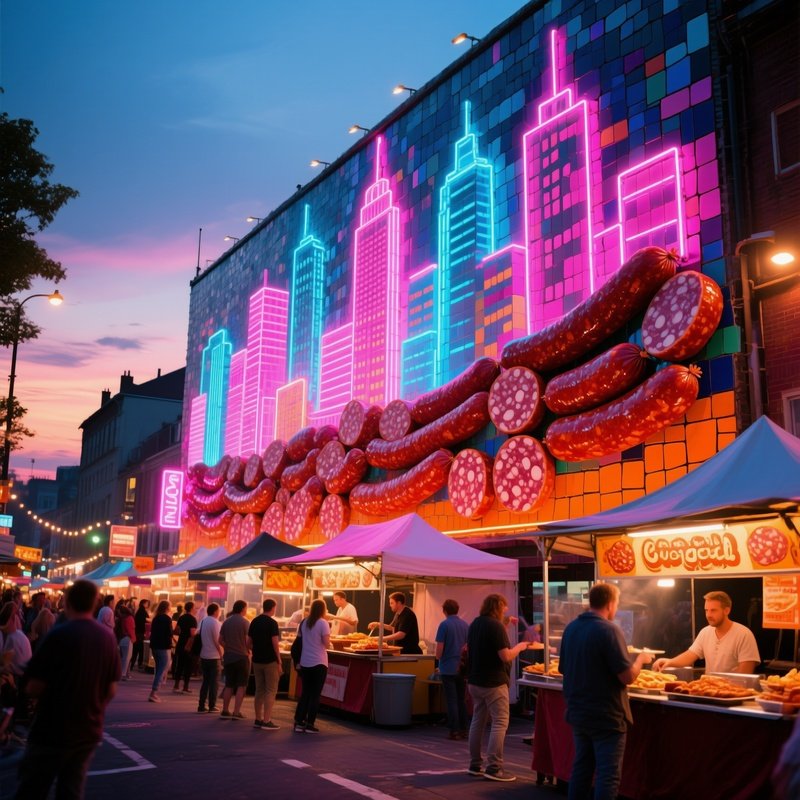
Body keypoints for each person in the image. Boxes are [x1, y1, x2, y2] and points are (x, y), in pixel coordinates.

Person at [14, 579, 120, 800]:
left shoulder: (59, 635)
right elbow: (111, 690)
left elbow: (34, 686)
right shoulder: (107, 638)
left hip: (53, 728)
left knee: (33, 788)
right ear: (95, 603)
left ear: (67, 602)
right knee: (71, 789)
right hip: (88, 729)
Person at [560, 582, 653, 800]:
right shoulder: (609, 630)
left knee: (581, 770)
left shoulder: (571, 628)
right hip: (606, 716)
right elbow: (627, 676)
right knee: (607, 775)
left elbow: (564, 669)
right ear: (610, 604)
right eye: (617, 604)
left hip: (578, 713)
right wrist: (640, 659)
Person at [465, 593, 528, 782]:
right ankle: (494, 768)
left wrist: (506, 622)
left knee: (477, 721)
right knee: (500, 723)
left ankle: (475, 764)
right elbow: (506, 656)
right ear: (498, 606)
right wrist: (521, 647)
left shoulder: (476, 623)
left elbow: (489, 641)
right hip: (493, 682)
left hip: (475, 681)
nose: (506, 610)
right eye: (505, 607)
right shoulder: (496, 626)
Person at [652, 591, 761, 675]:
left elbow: (745, 673)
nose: (708, 615)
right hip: (709, 691)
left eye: (713, 610)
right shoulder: (705, 632)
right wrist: (669, 662)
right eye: (706, 610)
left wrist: (724, 685)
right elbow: (690, 655)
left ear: (726, 610)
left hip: (735, 693)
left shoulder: (744, 634)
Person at [294, 598, 331, 734]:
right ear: (323, 609)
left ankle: (299, 722)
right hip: (319, 662)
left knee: (305, 693)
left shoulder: (304, 622)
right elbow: (326, 644)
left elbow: (299, 641)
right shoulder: (323, 623)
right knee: (315, 695)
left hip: (305, 662)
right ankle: (310, 724)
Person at [435, 598, 469, 740]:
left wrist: (438, 658)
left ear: (444, 611)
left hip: (447, 667)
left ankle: (454, 730)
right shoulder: (465, 625)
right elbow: (468, 646)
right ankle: (464, 729)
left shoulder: (444, 625)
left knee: (451, 700)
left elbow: (440, 648)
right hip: (461, 667)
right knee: (461, 699)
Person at [248, 597, 282, 730]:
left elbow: (248, 642)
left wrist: (254, 650)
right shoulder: (272, 623)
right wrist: (279, 660)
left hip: (257, 661)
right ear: (273, 608)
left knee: (259, 690)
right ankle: (267, 720)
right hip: (270, 661)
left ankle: (258, 719)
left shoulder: (254, 621)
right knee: (270, 690)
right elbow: (275, 643)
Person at [219, 600, 251, 719]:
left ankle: (225, 710)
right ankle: (236, 712)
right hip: (242, 657)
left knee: (229, 685)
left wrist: (227, 647)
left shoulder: (226, 622)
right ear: (243, 609)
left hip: (229, 657)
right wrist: (247, 650)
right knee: (241, 686)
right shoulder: (245, 622)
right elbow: (248, 641)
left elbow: (220, 640)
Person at [197, 602, 223, 713]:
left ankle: (201, 705)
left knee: (206, 682)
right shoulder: (215, 623)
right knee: (214, 683)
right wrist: (221, 653)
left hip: (204, 655)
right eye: (220, 610)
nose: (220, 612)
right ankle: (212, 705)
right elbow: (217, 641)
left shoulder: (204, 621)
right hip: (213, 656)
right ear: (216, 611)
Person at [148, 600, 173, 703]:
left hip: (154, 646)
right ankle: (153, 693)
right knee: (162, 670)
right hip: (163, 647)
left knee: (158, 669)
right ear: (167, 608)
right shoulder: (167, 619)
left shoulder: (156, 618)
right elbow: (169, 633)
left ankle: (155, 692)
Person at [172, 601, 197, 693]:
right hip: (188, 644)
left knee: (180, 665)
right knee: (188, 666)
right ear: (191, 608)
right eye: (194, 607)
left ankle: (176, 685)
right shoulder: (193, 619)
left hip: (180, 643)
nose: (195, 609)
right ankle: (185, 686)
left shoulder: (181, 617)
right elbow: (192, 634)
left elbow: (177, 630)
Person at [115, 602, 135, 680]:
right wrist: (132, 638)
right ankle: (123, 674)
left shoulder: (120, 619)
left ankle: (124, 673)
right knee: (126, 658)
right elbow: (131, 630)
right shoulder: (129, 618)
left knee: (123, 658)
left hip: (121, 639)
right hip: (127, 639)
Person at [132, 598, 150, 670]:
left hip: (137, 632)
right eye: (146, 603)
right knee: (140, 648)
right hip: (140, 633)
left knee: (136, 649)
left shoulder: (139, 611)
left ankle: (132, 664)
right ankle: (139, 664)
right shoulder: (142, 611)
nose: (147, 605)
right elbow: (145, 621)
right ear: (143, 604)